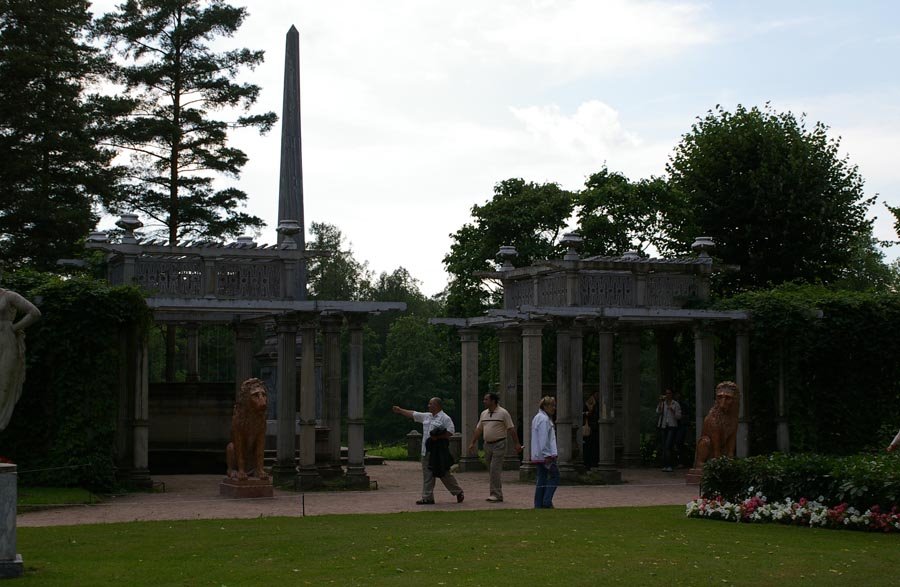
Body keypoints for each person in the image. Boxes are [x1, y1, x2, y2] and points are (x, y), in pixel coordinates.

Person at [393, 397, 465, 505]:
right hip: (426, 451)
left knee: (443, 473)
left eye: (430, 404)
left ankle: (458, 491)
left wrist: (438, 437)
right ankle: (427, 497)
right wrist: (400, 410)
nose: (428, 406)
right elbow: (414, 414)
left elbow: (450, 432)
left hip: (438, 452)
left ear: (437, 405)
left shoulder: (445, 418)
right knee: (427, 475)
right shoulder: (427, 416)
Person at [467, 392, 522, 502]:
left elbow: (511, 429)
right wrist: (472, 442)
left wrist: (517, 443)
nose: (484, 401)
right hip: (487, 444)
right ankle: (496, 492)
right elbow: (479, 429)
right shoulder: (484, 414)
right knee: (491, 469)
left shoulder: (503, 413)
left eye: (486, 399)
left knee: (494, 469)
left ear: (493, 401)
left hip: (499, 443)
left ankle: (496, 494)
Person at [0, 286, 41, 431]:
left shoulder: (9, 296)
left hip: (6, 342)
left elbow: (34, 313)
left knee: (3, 385)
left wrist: (14, 327)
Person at [531, 395, 559, 509]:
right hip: (544, 455)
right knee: (555, 476)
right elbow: (544, 439)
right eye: (552, 405)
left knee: (542, 478)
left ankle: (539, 503)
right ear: (545, 406)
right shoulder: (543, 419)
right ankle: (546, 501)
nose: (554, 408)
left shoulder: (539, 417)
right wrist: (547, 454)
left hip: (540, 455)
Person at [655, 388, 681, 472]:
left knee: (668, 445)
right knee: (664, 446)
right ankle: (665, 465)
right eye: (666, 393)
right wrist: (660, 402)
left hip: (672, 426)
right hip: (663, 426)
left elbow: (678, 416)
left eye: (669, 393)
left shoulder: (675, 404)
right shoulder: (663, 403)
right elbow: (658, 412)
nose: (667, 395)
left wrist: (672, 410)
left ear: (671, 394)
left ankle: (669, 465)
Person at [582, 390, 599, 470]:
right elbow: (582, 413)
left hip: (595, 428)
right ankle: (587, 464)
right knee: (588, 446)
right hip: (588, 428)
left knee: (594, 446)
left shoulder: (597, 404)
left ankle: (593, 463)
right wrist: (586, 413)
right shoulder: (586, 404)